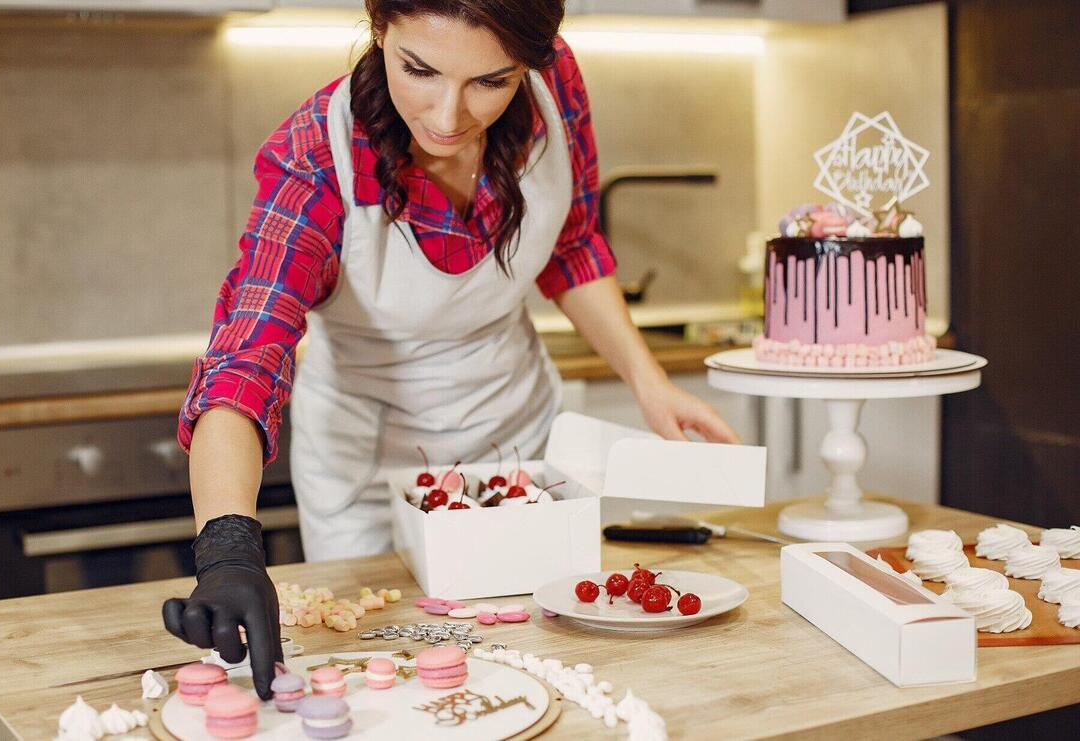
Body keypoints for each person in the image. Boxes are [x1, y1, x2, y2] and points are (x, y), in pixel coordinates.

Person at [162, 0, 740, 699]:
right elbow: (247, 358)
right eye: (419, 70)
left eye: (490, 82)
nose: (446, 116)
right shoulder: (316, 157)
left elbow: (574, 242)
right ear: (380, 32)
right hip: (369, 476)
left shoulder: (555, 87)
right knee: (401, 686)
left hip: (516, 443)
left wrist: (651, 383)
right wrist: (227, 545)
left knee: (546, 676)